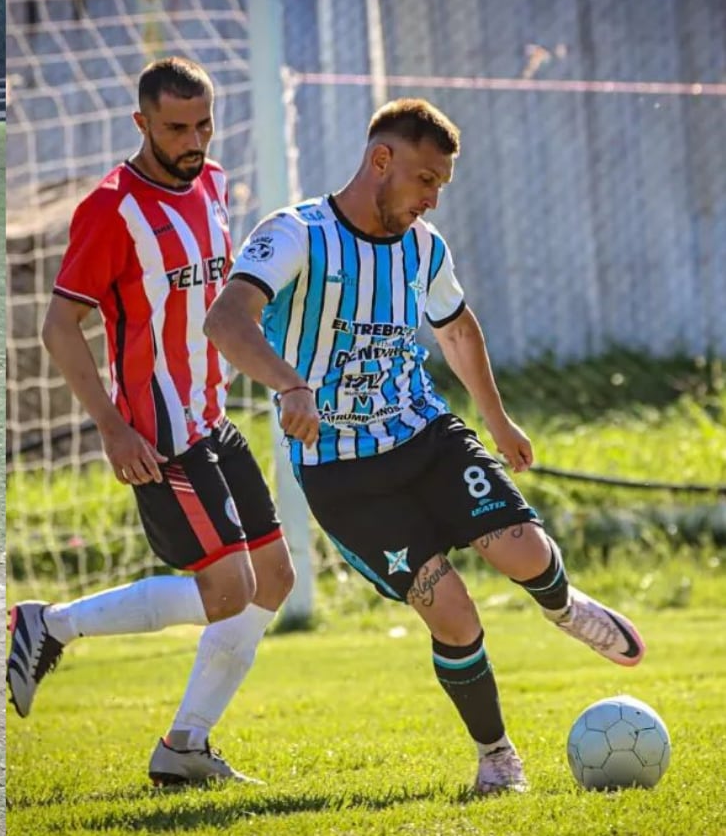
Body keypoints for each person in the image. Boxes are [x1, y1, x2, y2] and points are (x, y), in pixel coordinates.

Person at [203, 98, 645, 796]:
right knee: (453, 610)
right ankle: (497, 757)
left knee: (526, 551)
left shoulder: (423, 248)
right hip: (343, 476)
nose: (432, 201)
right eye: (425, 181)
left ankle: (564, 607)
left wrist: (498, 422)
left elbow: (458, 330)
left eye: (441, 186)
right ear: (382, 160)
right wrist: (290, 385)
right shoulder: (296, 234)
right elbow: (226, 319)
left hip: (426, 437)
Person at [6, 56, 296, 786]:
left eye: (204, 123)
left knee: (275, 578)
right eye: (176, 127)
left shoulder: (216, 183)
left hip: (213, 417)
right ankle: (46, 624)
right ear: (142, 124)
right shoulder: (109, 209)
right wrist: (111, 425)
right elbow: (59, 327)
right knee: (226, 590)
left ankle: (184, 746)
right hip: (160, 433)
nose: (194, 139)